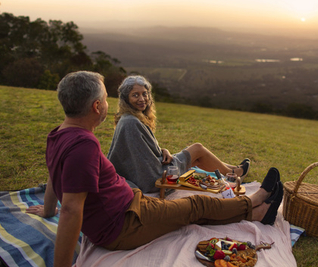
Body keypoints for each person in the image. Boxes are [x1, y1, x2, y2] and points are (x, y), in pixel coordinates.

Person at [27, 71, 283, 267]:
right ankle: (255, 201)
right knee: (197, 205)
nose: (107, 103)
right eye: (105, 99)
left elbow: (54, 175)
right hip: (124, 225)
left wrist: (49, 209)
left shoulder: (59, 134)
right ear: (96, 106)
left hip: (131, 203)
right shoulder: (84, 145)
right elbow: (71, 208)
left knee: (185, 213)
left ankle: (254, 215)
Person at [107, 75, 250, 193]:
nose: (141, 99)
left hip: (153, 169)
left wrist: (163, 151)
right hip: (154, 178)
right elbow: (144, 166)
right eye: (135, 95)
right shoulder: (130, 122)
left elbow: (141, 151)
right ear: (126, 99)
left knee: (195, 157)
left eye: (145, 94)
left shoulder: (131, 118)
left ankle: (232, 169)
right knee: (197, 149)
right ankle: (235, 174)